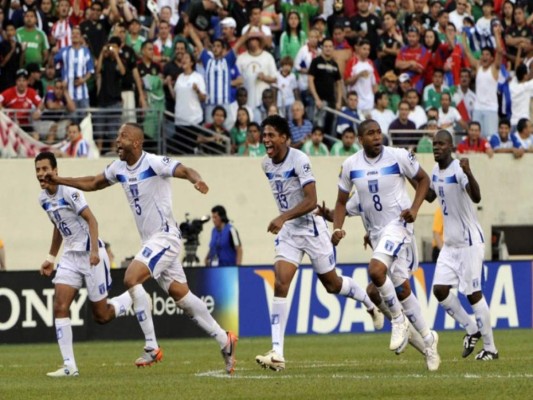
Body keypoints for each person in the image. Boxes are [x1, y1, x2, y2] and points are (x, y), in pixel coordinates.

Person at [44, 123, 238, 375]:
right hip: (151, 242)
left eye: (122, 136)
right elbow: (93, 182)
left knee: (131, 277)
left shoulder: (154, 163)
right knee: (183, 297)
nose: (117, 141)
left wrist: (196, 179)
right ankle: (225, 339)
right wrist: (59, 179)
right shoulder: (118, 168)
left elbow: (184, 169)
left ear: (136, 142)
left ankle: (151, 345)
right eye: (117, 136)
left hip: (165, 237)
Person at [255, 115, 383, 372]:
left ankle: (370, 304)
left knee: (332, 284)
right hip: (290, 231)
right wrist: (285, 220)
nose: (266, 140)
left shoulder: (300, 159)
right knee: (280, 281)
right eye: (264, 135)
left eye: (271, 135)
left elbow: (312, 201)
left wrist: (283, 216)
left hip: (312, 229)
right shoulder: (265, 164)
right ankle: (277, 352)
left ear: (283, 137)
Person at [332, 119, 440, 371]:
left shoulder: (398, 156)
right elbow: (340, 204)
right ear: (360, 140)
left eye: (379, 132)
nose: (377, 136)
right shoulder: (350, 166)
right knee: (398, 290)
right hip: (379, 235)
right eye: (370, 133)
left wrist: (414, 208)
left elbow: (424, 180)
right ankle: (428, 341)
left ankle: (398, 320)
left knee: (376, 270)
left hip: (400, 225)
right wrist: (336, 227)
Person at [35, 151, 136, 377]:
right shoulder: (43, 199)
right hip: (70, 257)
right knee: (60, 306)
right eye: (38, 170)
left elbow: (92, 220)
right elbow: (59, 226)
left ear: (55, 171)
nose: (41, 174)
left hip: (91, 254)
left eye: (45, 169)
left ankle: (132, 297)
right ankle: (69, 365)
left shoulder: (70, 191)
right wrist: (51, 258)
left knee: (101, 316)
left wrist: (93, 252)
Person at [426, 130, 499, 361]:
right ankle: (471, 328)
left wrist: (469, 172)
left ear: (450, 146)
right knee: (439, 289)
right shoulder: (436, 172)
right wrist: (409, 172)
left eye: (441, 144)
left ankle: (491, 349)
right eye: (434, 144)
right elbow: (428, 195)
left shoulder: (458, 169)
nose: (436, 147)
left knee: (473, 294)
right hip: (450, 243)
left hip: (469, 241)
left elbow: (476, 197)